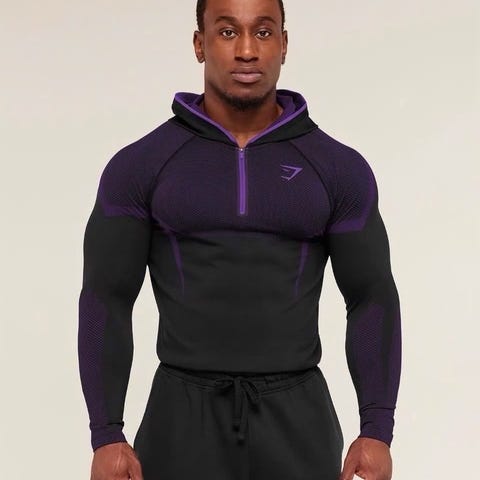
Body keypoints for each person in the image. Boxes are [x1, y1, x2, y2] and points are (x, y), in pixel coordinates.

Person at [77, 0, 402, 479]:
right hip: (180, 417)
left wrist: (376, 428)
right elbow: (106, 297)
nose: (247, 50)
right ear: (199, 44)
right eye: (228, 32)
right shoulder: (141, 166)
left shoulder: (337, 169)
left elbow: (371, 295)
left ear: (284, 45)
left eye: (263, 32)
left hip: (298, 418)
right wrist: (106, 433)